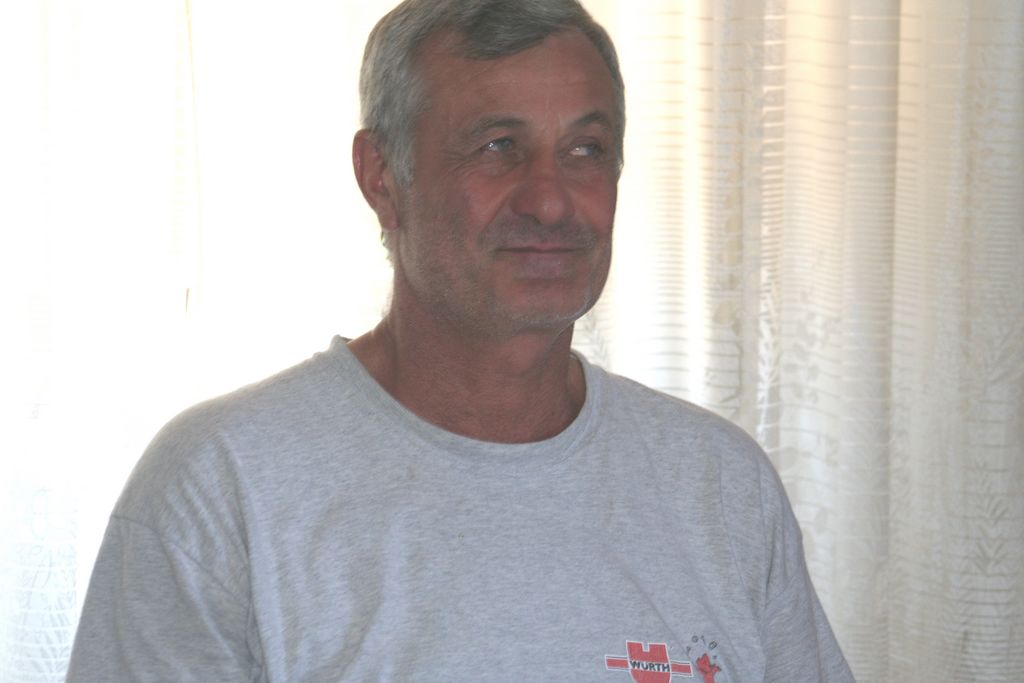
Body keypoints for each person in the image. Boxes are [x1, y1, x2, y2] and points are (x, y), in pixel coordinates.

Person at [66, 0, 854, 680]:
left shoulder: (721, 487)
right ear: (382, 177)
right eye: (497, 146)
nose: (551, 201)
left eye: (586, 149)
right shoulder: (221, 489)